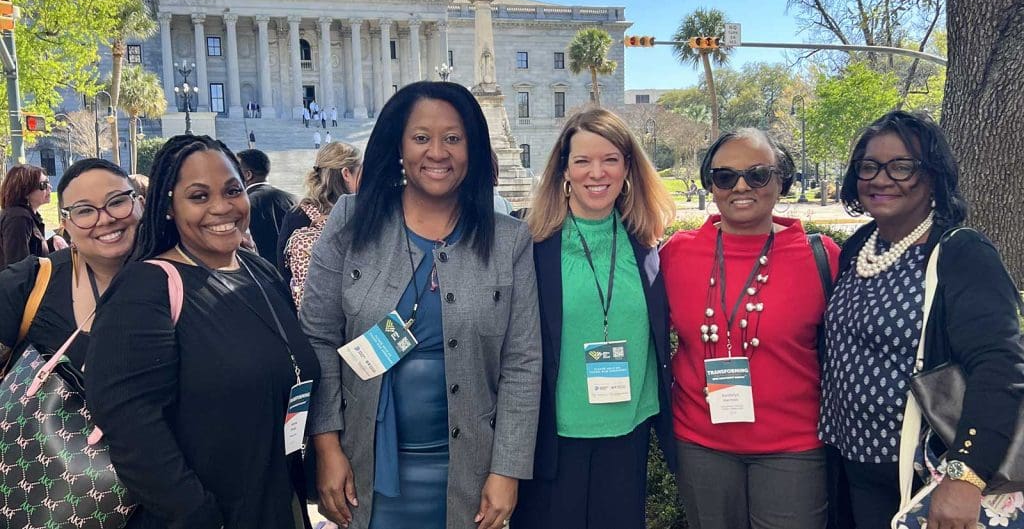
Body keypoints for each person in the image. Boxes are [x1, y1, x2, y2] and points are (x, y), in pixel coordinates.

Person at [300, 80, 541, 529]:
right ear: (399, 145)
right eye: (421, 137)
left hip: (469, 470)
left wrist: (507, 469)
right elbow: (318, 337)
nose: (437, 152)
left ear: (472, 149)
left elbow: (523, 363)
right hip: (365, 465)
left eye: (453, 138)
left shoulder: (508, 239)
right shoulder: (352, 222)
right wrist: (327, 447)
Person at [85, 134, 320, 529]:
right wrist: (198, 515)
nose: (221, 207)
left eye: (233, 190)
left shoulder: (258, 271)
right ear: (168, 208)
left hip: (277, 504)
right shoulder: (145, 291)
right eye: (198, 196)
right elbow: (134, 432)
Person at [820, 110, 1024, 528]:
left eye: (901, 166)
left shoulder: (962, 253)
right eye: (869, 166)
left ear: (932, 176)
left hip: (923, 471)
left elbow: (1001, 368)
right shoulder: (859, 246)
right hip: (851, 463)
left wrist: (965, 476)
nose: (880, 179)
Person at [659, 129, 840, 529]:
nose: (741, 186)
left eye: (758, 174)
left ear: (781, 180)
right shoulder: (677, 253)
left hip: (793, 448)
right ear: (711, 184)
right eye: (725, 177)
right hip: (701, 444)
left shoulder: (821, 256)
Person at [515, 107, 677, 529]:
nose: (596, 172)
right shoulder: (530, 244)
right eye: (582, 160)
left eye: (610, 160)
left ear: (628, 168)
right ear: (564, 170)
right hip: (553, 436)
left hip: (629, 431)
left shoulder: (647, 242)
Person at [0, 158, 143, 372]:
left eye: (116, 202)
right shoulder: (27, 283)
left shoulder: (182, 282)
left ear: (141, 204)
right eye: (84, 210)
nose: (104, 219)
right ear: (66, 224)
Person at [277, 141, 362, 306]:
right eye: (361, 170)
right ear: (346, 173)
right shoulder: (360, 214)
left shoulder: (296, 214)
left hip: (311, 314)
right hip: (355, 318)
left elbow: (284, 268)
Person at [237, 148, 298, 262]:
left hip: (260, 271)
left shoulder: (242, 205)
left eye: (235, 170)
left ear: (248, 175)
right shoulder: (293, 199)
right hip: (291, 273)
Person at [0, 164, 52, 270]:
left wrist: (52, 242)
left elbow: (34, 250)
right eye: (44, 185)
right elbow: (18, 267)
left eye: (48, 182)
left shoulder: (27, 215)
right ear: (25, 191)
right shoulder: (18, 218)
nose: (50, 188)